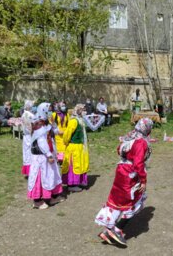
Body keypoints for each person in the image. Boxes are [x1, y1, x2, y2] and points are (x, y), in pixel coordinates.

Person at [95, 118, 153, 247]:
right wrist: (143, 180)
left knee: (118, 200)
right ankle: (116, 229)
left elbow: (119, 150)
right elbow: (138, 163)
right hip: (131, 174)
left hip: (122, 170)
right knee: (134, 202)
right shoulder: (141, 142)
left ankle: (109, 229)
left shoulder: (130, 136)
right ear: (147, 129)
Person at [27, 102, 64, 209]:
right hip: (41, 156)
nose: (51, 111)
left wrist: (53, 124)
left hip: (48, 153)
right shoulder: (38, 123)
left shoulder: (46, 122)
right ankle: (37, 201)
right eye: (49, 109)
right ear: (43, 110)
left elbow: (55, 132)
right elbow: (41, 142)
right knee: (40, 175)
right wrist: (49, 155)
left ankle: (53, 196)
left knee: (51, 175)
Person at [62, 104, 89, 192]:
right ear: (77, 110)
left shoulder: (80, 120)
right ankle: (72, 184)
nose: (84, 111)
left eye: (84, 109)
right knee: (74, 164)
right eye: (82, 109)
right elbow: (67, 134)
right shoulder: (73, 121)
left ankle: (80, 181)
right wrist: (67, 143)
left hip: (80, 146)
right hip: (73, 147)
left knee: (80, 163)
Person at [21, 100, 34, 176]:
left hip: (26, 136)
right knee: (30, 152)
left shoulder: (24, 114)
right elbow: (30, 127)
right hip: (30, 136)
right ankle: (30, 171)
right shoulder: (29, 115)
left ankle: (28, 171)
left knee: (26, 153)